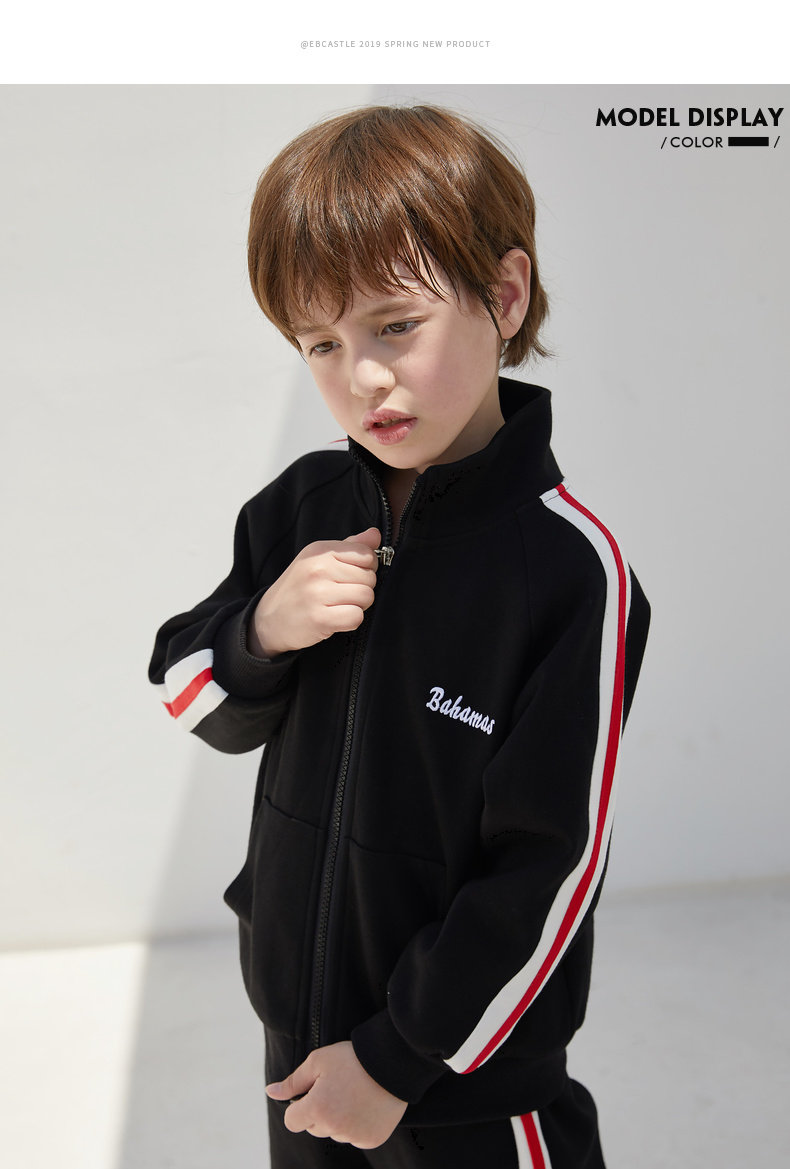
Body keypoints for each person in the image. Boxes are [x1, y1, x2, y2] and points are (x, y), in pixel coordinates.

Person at [149, 104, 650, 1168]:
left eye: (394, 326)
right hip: (300, 1042)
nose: (361, 376)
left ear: (503, 296)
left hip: (466, 1079)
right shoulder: (299, 507)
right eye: (321, 343)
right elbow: (190, 693)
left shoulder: (571, 573)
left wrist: (395, 1057)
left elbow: (549, 871)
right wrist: (263, 630)